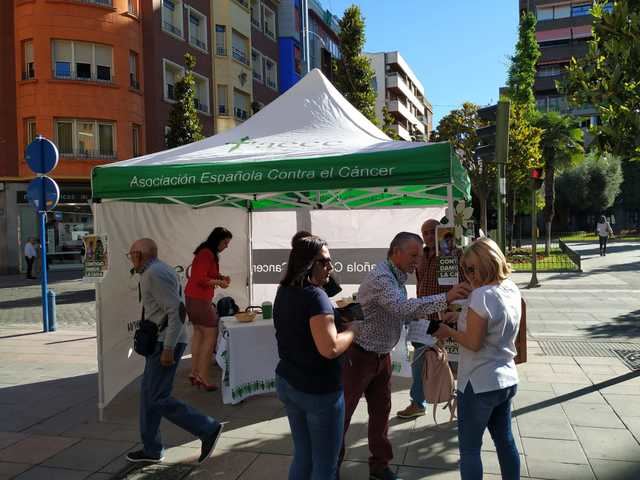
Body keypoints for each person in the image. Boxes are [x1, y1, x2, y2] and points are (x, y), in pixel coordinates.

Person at [340, 232, 471, 480]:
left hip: (380, 356)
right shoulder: (382, 277)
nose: (418, 262)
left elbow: (402, 313)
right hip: (360, 357)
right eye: (414, 255)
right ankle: (329, 469)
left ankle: (379, 468)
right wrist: (446, 297)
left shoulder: (395, 275)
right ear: (395, 252)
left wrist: (433, 328)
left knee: (380, 414)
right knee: (343, 415)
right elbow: (402, 308)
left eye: (420, 256)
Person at [125, 238, 223, 464]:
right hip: (162, 341)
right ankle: (151, 448)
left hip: (164, 343)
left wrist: (168, 347)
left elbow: (177, 310)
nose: (130, 259)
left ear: (140, 255)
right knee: (149, 396)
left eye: (132, 254)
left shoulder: (154, 273)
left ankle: (207, 428)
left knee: (157, 397)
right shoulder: (158, 269)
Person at [432, 238, 521, 480]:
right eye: (464, 269)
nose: (467, 275)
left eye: (471, 269)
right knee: (505, 441)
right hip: (506, 377)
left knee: (470, 449)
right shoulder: (510, 288)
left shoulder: (482, 295)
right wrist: (459, 316)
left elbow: (473, 342)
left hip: (478, 381)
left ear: (487, 263)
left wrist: (447, 331)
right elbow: (487, 324)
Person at [274, 235, 358, 480]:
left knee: (303, 455)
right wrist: (353, 330)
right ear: (308, 263)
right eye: (324, 262)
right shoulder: (314, 296)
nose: (330, 267)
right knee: (324, 466)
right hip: (318, 391)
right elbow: (329, 348)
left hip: (289, 381)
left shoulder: (285, 290)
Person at [396, 219, 465, 419]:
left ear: (441, 231)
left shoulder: (453, 254)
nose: (428, 236)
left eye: (432, 231)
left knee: (453, 361)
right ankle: (418, 402)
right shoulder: (422, 256)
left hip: (448, 315)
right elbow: (420, 283)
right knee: (419, 360)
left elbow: (463, 281)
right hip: (424, 316)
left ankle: (459, 400)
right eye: (424, 233)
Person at [184, 227, 232, 391]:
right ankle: (203, 376)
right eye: (225, 242)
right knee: (211, 334)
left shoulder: (205, 252)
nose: (227, 246)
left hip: (193, 298)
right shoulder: (207, 253)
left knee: (198, 332)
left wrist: (220, 277)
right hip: (199, 299)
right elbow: (200, 278)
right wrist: (220, 282)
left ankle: (194, 372)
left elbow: (205, 274)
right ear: (217, 240)